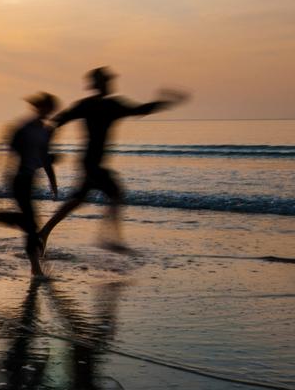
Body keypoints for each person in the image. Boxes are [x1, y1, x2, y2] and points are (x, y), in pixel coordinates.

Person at [38, 67, 189, 253]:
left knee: (76, 201)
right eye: (107, 81)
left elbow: (57, 122)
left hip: (89, 162)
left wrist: (47, 143)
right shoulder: (109, 106)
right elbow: (141, 109)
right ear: (99, 84)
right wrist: (165, 102)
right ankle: (109, 238)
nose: (110, 84)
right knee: (116, 193)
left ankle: (44, 233)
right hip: (93, 164)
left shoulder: (89, 105)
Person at [0, 92, 59, 276]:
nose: (49, 111)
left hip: (30, 179)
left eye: (51, 108)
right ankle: (35, 268)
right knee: (31, 224)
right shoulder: (24, 128)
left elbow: (43, 157)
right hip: (19, 179)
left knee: (29, 223)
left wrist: (52, 180)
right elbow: (5, 152)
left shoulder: (45, 130)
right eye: (47, 107)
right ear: (39, 107)